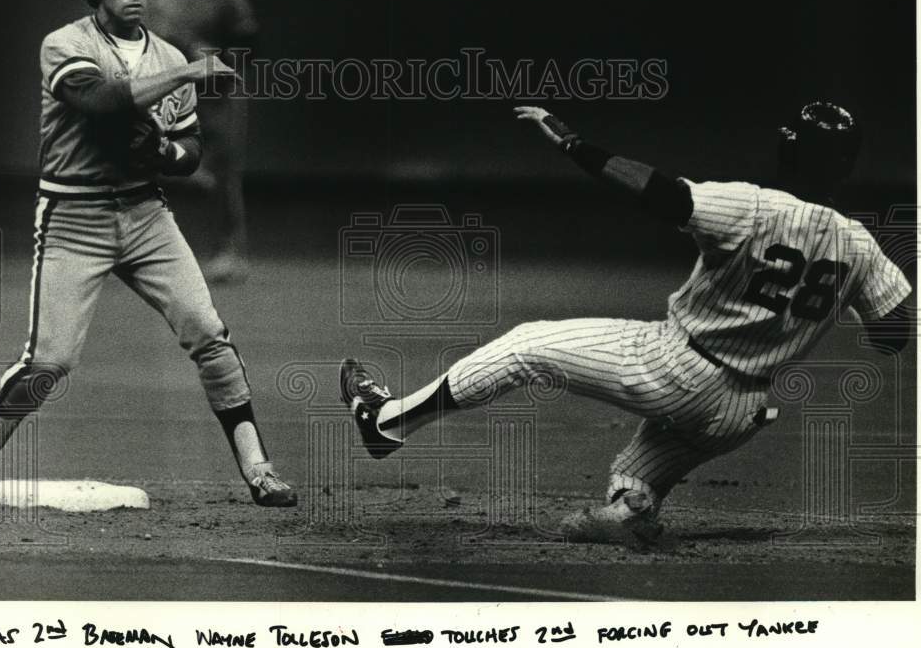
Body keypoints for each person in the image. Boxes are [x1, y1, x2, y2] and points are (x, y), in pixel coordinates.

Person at [340, 102, 911, 544]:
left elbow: (658, 192)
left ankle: (386, 422)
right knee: (634, 474)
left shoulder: (754, 205)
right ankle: (626, 512)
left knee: (525, 346)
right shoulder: (859, 246)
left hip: (676, 367)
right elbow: (895, 334)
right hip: (744, 411)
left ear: (788, 152)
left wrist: (574, 144)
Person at [0, 0, 297, 508]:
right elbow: (102, 100)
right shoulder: (64, 43)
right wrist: (188, 75)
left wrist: (160, 153)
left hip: (144, 215)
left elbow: (189, 153)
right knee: (51, 359)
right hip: (72, 215)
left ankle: (259, 468)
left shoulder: (168, 54)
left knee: (210, 335)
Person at [147, 0, 257, 283]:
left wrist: (217, 59)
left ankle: (228, 251)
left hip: (221, 96)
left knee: (225, 176)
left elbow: (249, 47)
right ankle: (163, 252)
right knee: (168, 170)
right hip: (177, 96)